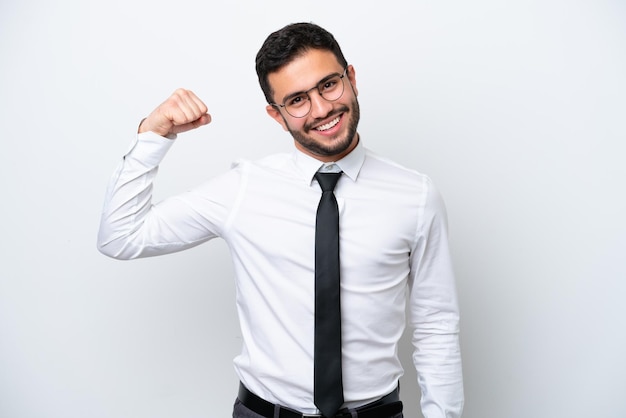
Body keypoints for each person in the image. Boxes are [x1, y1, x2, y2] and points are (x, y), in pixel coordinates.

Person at [97, 22, 463, 418]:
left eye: (328, 85)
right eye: (297, 100)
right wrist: (154, 136)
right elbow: (121, 237)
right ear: (276, 114)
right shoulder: (243, 189)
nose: (322, 110)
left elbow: (436, 324)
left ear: (351, 78)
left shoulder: (415, 195)